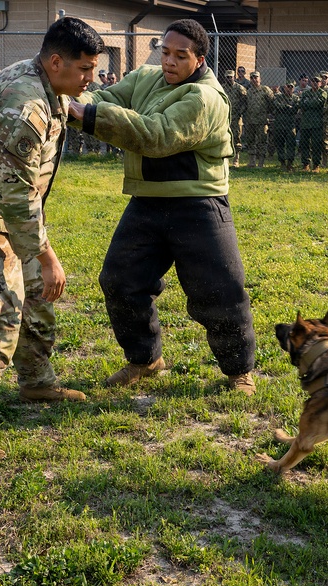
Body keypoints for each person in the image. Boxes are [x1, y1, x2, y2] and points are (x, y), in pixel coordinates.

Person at [0, 16, 103, 466]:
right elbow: (15, 195)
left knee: (39, 293)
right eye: (85, 69)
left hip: (5, 206)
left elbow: (21, 195)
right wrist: (45, 254)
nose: (91, 78)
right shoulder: (24, 105)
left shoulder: (50, 88)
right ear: (55, 61)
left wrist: (39, 256)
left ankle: (36, 381)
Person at [70, 18, 257, 396]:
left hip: (198, 203)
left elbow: (157, 135)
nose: (169, 61)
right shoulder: (145, 78)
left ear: (200, 59)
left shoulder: (206, 97)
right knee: (120, 281)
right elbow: (105, 98)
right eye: (165, 52)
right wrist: (80, 103)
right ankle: (145, 359)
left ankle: (239, 371)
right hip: (147, 202)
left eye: (180, 55)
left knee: (220, 289)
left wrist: (86, 116)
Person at [242, 70, 273, 167]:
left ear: (260, 78)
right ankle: (252, 161)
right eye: (252, 78)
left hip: (261, 120)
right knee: (251, 140)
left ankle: (261, 162)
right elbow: (245, 105)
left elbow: (272, 103)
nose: (254, 79)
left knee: (262, 141)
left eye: (256, 77)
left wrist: (269, 115)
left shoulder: (265, 90)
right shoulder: (249, 92)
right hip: (250, 120)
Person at [298, 75, 327, 171]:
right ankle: (305, 164)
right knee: (304, 144)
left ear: (320, 83)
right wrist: (312, 102)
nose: (315, 83)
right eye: (313, 81)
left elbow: (320, 103)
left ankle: (316, 165)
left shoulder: (323, 93)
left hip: (317, 123)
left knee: (316, 144)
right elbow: (301, 104)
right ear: (311, 82)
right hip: (305, 123)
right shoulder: (306, 93)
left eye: (317, 81)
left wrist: (309, 103)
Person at [270, 80, 298, 171]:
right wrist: (287, 107)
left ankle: (290, 163)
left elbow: (296, 109)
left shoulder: (295, 98)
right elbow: (276, 106)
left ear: (293, 88)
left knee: (291, 144)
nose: (289, 89)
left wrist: (286, 107)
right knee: (280, 144)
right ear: (284, 87)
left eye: (291, 87)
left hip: (290, 125)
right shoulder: (278, 97)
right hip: (279, 125)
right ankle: (282, 162)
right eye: (287, 87)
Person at [222, 69, 247, 167]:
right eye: (227, 77)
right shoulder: (222, 88)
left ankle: (236, 158)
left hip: (236, 117)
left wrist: (240, 112)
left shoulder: (239, 88)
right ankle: (226, 158)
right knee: (225, 137)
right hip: (224, 117)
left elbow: (245, 102)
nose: (229, 79)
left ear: (234, 77)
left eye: (231, 77)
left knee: (236, 137)